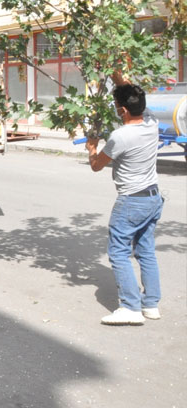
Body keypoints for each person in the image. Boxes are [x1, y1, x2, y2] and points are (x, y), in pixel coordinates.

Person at [86, 81, 163, 325]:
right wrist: (118, 77)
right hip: (153, 197)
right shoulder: (152, 123)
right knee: (146, 251)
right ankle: (150, 304)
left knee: (118, 251)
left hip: (131, 200)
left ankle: (130, 307)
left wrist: (91, 149)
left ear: (122, 111)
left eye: (117, 106)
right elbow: (133, 93)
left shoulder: (120, 136)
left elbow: (97, 166)